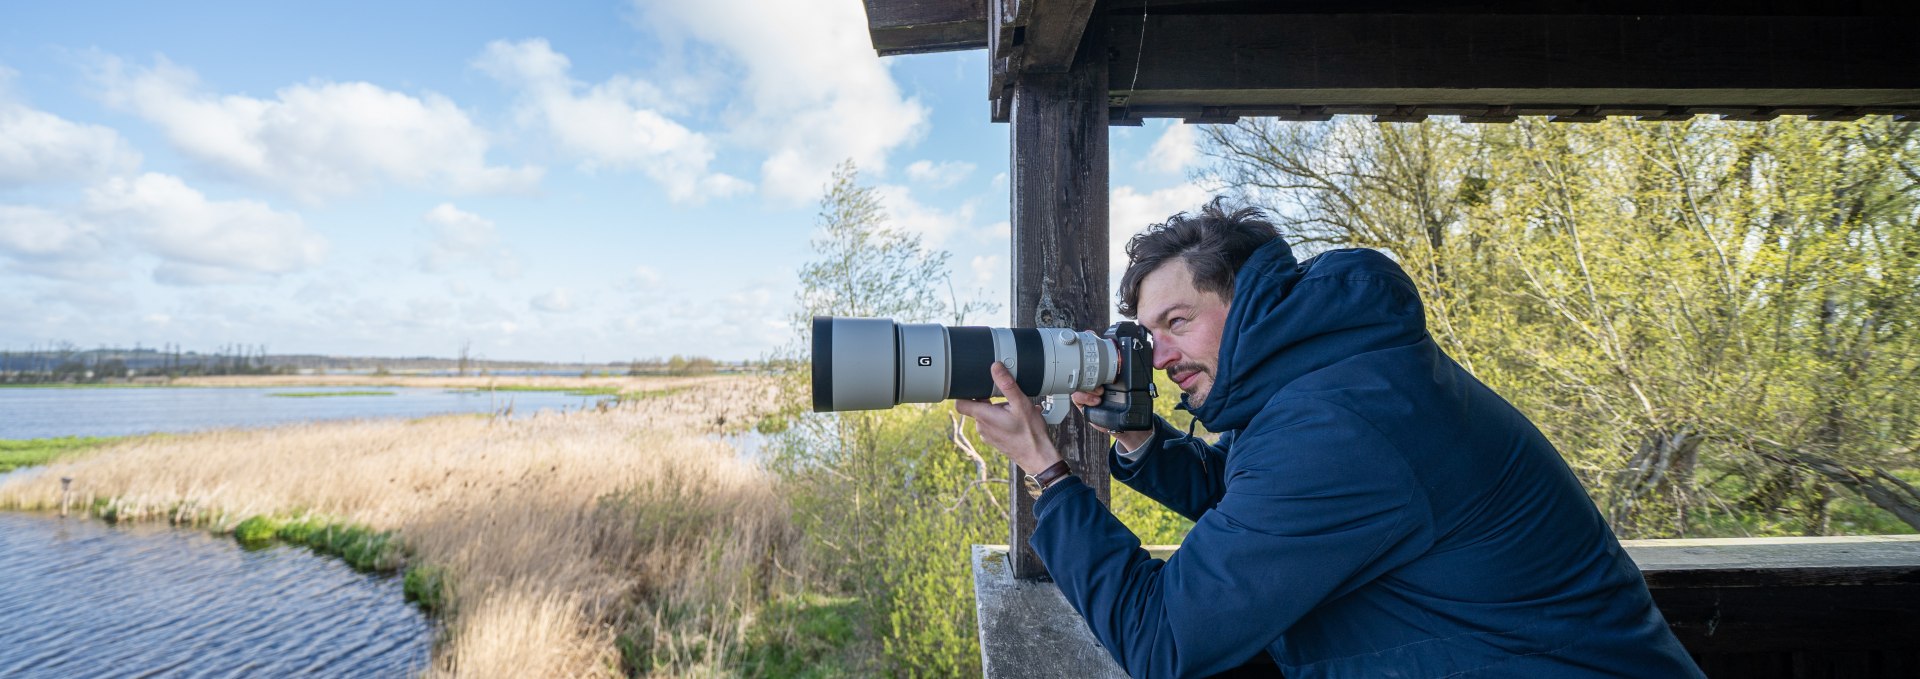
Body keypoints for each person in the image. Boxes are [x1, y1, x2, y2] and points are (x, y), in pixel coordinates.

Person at [954, 199, 1704, 678]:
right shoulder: (1334, 377)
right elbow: (1260, 505)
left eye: (1177, 322)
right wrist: (1142, 438)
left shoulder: (1337, 423)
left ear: (1246, 298)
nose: (1160, 355)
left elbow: (1162, 639)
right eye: (1148, 336)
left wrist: (1048, 473)